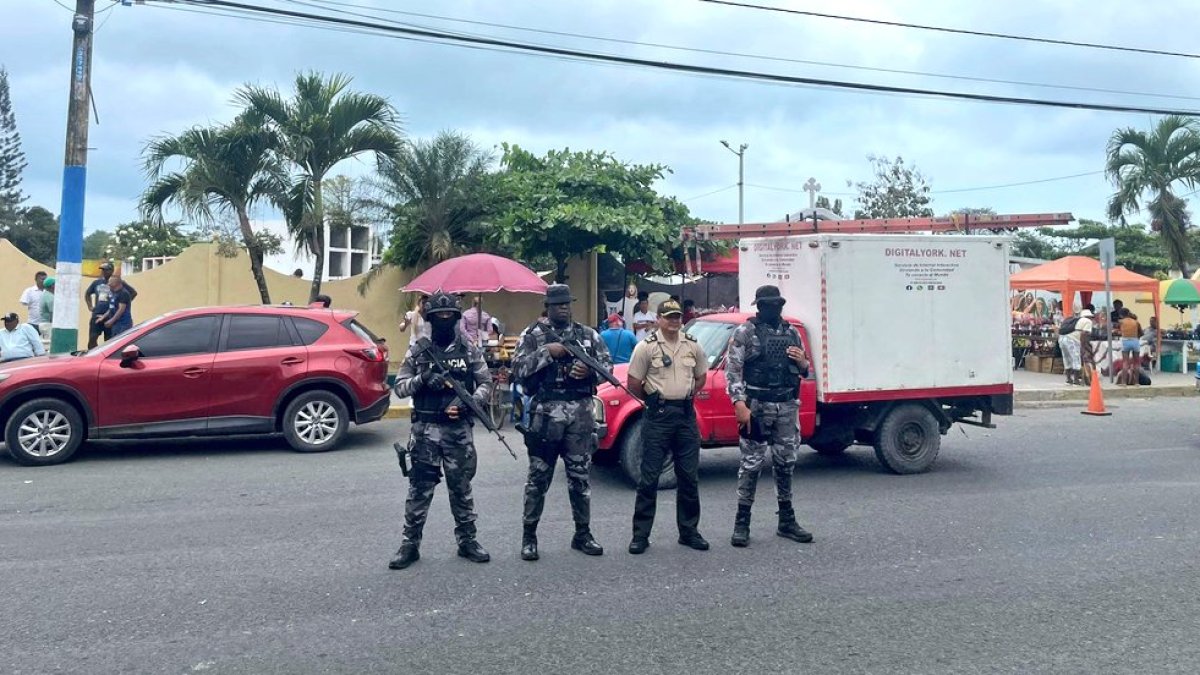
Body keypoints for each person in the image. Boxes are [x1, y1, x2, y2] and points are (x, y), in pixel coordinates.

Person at [388, 292, 493, 570]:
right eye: (439, 317)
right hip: (424, 431)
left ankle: (467, 541)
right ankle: (410, 545)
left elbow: (485, 383)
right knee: (419, 490)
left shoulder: (469, 348)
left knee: (461, 488)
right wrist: (423, 379)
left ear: (457, 318)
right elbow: (399, 387)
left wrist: (466, 403)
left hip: (458, 431)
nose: (444, 321)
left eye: (449, 317)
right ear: (431, 319)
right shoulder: (419, 350)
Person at [514, 283, 610, 561]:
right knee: (538, 477)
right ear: (548, 308)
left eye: (567, 303)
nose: (564, 308)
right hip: (546, 414)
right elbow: (518, 370)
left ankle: (583, 534)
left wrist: (588, 371)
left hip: (580, 413)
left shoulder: (587, 335)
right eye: (558, 304)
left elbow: (607, 369)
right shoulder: (533, 335)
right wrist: (548, 352)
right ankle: (529, 536)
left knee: (580, 476)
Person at [725, 285, 813, 547]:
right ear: (759, 306)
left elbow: (805, 370)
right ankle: (742, 522)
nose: (772, 309)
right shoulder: (746, 332)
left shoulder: (791, 333)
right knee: (751, 464)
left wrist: (802, 362)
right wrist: (739, 403)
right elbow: (733, 370)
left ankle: (786, 520)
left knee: (785, 462)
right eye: (767, 305)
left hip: (786, 404)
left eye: (776, 305)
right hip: (757, 405)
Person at [625, 299, 710, 554]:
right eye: (669, 317)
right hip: (658, 416)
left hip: (685, 416)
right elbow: (634, 383)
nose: (674, 321)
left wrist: (682, 396)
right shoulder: (645, 347)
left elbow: (701, 377)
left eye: (677, 317)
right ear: (659, 319)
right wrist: (656, 398)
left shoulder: (692, 345)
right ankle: (640, 535)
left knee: (688, 477)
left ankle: (689, 532)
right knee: (649, 477)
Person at [85, 262, 137, 349]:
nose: (104, 272)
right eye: (102, 270)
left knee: (109, 340)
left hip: (111, 315)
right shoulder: (97, 282)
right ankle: (92, 354)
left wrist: (122, 303)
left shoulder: (118, 282)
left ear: (111, 271)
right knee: (92, 338)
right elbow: (87, 294)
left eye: (106, 270)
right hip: (97, 314)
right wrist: (90, 306)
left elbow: (133, 293)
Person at [1117, 308, 1142, 385]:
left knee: (1125, 362)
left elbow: (1118, 331)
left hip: (1125, 341)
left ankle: (1124, 382)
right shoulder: (1136, 322)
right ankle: (1137, 382)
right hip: (1135, 341)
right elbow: (1141, 332)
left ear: (1121, 315)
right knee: (1137, 363)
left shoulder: (1121, 322)